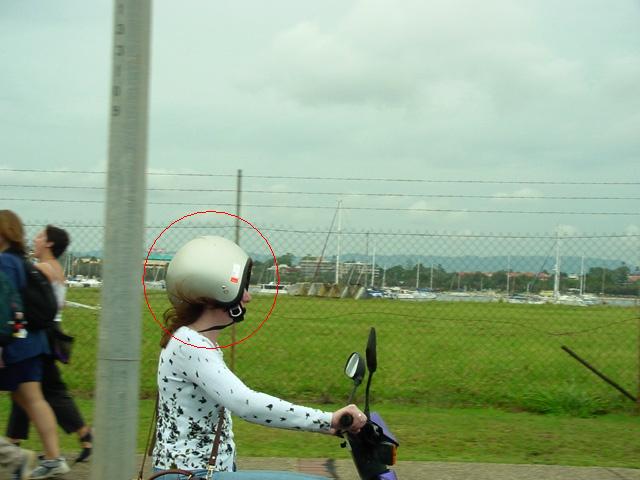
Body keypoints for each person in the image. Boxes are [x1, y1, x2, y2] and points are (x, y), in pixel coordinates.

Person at [153, 236, 367, 479]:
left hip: (201, 471)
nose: (248, 297)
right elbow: (245, 404)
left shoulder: (193, 340)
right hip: (190, 473)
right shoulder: (190, 345)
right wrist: (326, 420)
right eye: (241, 289)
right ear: (215, 291)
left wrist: (329, 426)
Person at [6, 225, 92, 464]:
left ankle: (82, 434)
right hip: (49, 332)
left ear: (49, 243)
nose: (35, 239)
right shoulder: (56, 269)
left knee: (41, 389)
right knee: (29, 388)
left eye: (40, 236)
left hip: (40, 333)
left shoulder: (42, 269)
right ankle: (15, 441)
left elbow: (22, 295)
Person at [0, 210, 70, 479]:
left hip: (16, 343)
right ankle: (53, 458)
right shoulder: (22, 261)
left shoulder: (6, 262)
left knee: (32, 399)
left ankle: (17, 458)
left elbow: (6, 306)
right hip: (33, 341)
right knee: (32, 399)